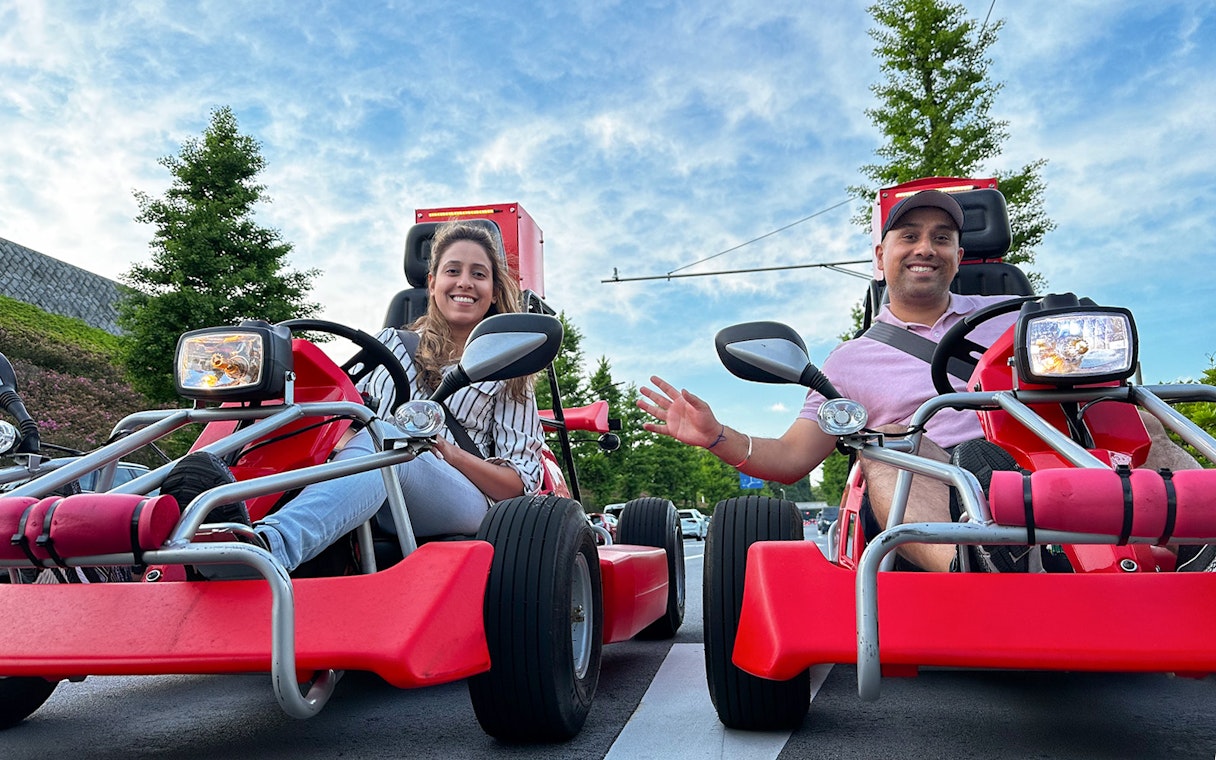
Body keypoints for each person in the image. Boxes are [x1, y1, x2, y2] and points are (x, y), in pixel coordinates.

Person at [638, 190, 1199, 573]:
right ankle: (973, 566)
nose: (925, 247)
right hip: (946, 483)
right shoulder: (850, 363)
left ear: (959, 255)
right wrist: (714, 434)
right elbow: (788, 459)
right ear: (881, 258)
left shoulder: (1018, 312)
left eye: (940, 237)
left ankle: (1198, 544)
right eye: (909, 236)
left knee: (1144, 418)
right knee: (885, 447)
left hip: (1059, 453)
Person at [166, 221, 546, 572]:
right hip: (367, 470)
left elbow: (518, 485)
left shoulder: (510, 373)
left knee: (387, 442)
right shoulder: (389, 345)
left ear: (494, 290)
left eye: (478, 274)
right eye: (453, 270)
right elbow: (346, 410)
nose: (464, 282)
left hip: (463, 497)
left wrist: (450, 452)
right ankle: (153, 536)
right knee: (307, 431)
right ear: (432, 283)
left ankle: (267, 548)